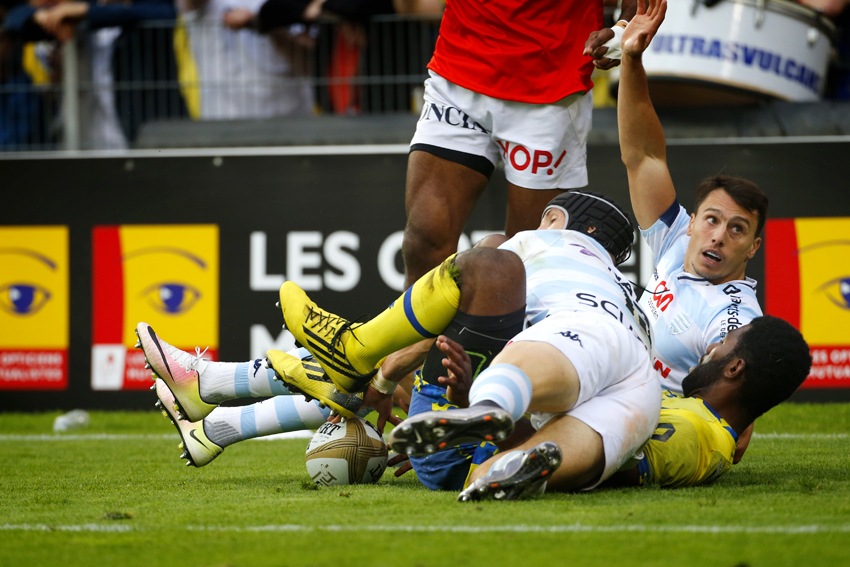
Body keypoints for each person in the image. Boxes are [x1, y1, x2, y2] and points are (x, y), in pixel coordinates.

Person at [270, 190, 661, 495]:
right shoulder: (632, 295)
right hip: (640, 387)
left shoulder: (535, 244)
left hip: (565, 340)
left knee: (488, 261)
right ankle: (500, 470)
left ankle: (366, 353)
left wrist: (386, 375)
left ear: (556, 219)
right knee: (553, 447)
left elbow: (461, 324)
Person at [616, 0, 767, 459]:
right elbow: (643, 155)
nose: (719, 236)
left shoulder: (736, 316)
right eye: (712, 220)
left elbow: (732, 426)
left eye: (737, 230)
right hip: (606, 377)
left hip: (646, 420)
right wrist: (631, 59)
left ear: (752, 249)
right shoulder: (675, 239)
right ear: (694, 223)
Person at [400, 0, 638, 288]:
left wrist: (623, 27)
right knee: (424, 241)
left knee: (526, 262)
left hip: (550, 89)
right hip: (458, 71)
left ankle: (515, 335)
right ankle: (418, 335)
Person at [450, 315, 811, 500]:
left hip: (486, 454)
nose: (712, 345)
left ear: (734, 368)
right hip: (493, 432)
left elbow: (589, 459)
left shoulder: (697, 436)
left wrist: (485, 417)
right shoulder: (694, 413)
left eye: (726, 341)